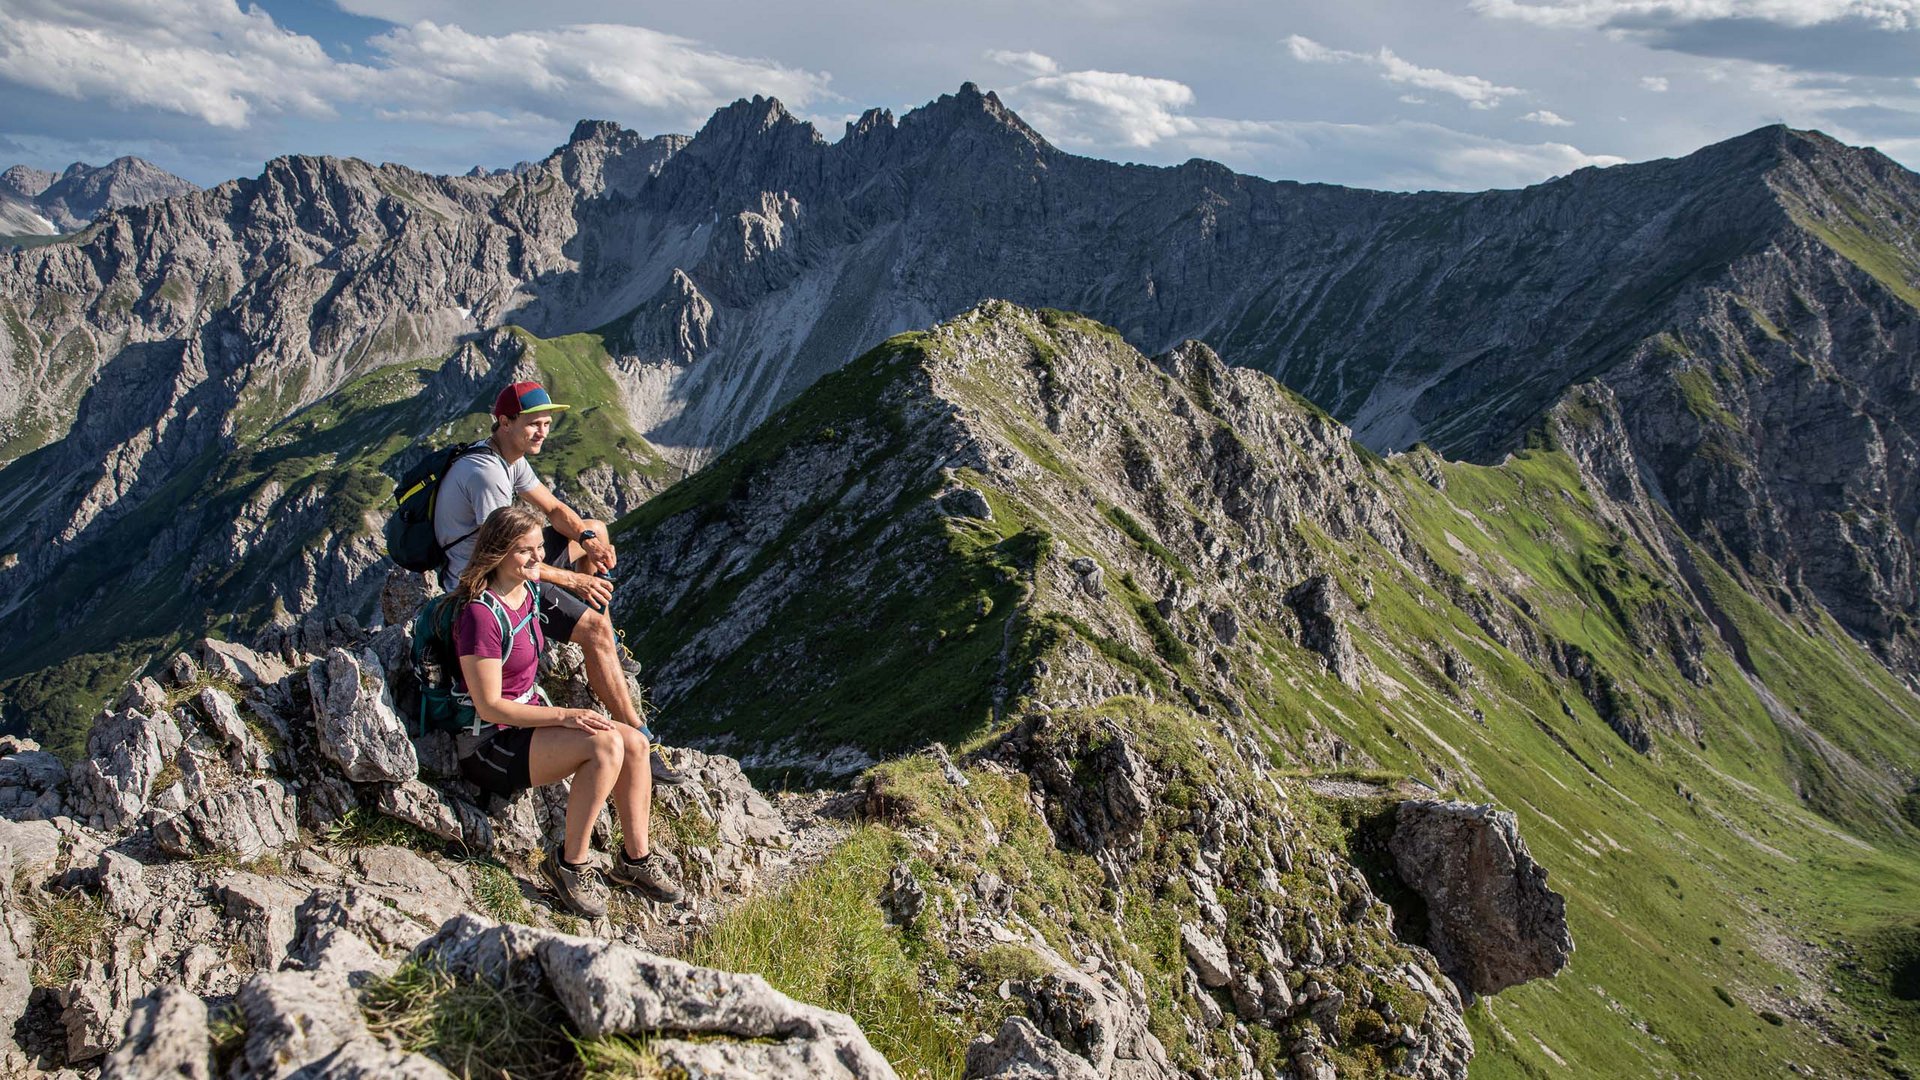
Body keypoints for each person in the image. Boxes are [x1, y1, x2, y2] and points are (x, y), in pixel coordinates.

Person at [434, 379, 684, 786]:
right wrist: (574, 581)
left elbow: (552, 508)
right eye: (533, 424)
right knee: (594, 628)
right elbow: (508, 555)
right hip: (488, 579)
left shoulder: (509, 459)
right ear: (504, 422)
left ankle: (602, 642)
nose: (543, 432)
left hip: (512, 563)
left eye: (547, 424)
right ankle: (637, 731)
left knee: (596, 529)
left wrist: (588, 540)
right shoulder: (485, 475)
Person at [452, 502, 682, 915]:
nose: (538, 557)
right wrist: (565, 715)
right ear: (498, 553)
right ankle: (569, 866)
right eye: (526, 550)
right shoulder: (480, 616)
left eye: (540, 548)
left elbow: (590, 625)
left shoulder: (529, 592)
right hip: (489, 745)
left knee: (634, 745)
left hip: (525, 726)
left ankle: (635, 860)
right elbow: (489, 706)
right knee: (606, 746)